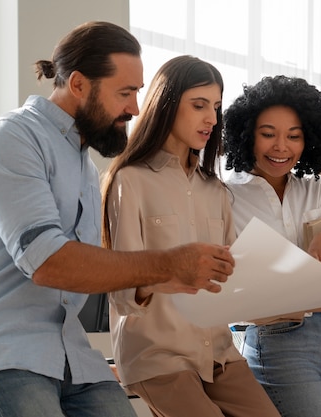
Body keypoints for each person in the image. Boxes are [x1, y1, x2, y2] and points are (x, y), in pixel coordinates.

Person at [0, 23, 235, 417]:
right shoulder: (9, 139)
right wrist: (169, 262)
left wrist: (173, 274)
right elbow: (48, 262)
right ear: (78, 84)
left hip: (68, 352)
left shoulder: (80, 160)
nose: (134, 108)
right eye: (125, 93)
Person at [101, 55, 280, 417]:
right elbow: (122, 293)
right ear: (166, 105)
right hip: (157, 355)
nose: (212, 119)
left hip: (218, 352)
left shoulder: (215, 191)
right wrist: (170, 271)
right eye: (199, 106)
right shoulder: (129, 180)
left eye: (215, 107)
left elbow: (230, 283)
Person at [222, 75, 321, 417]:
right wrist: (317, 295)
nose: (281, 147)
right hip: (276, 340)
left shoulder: (320, 189)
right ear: (247, 135)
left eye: (294, 136)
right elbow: (235, 285)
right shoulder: (225, 198)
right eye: (268, 134)